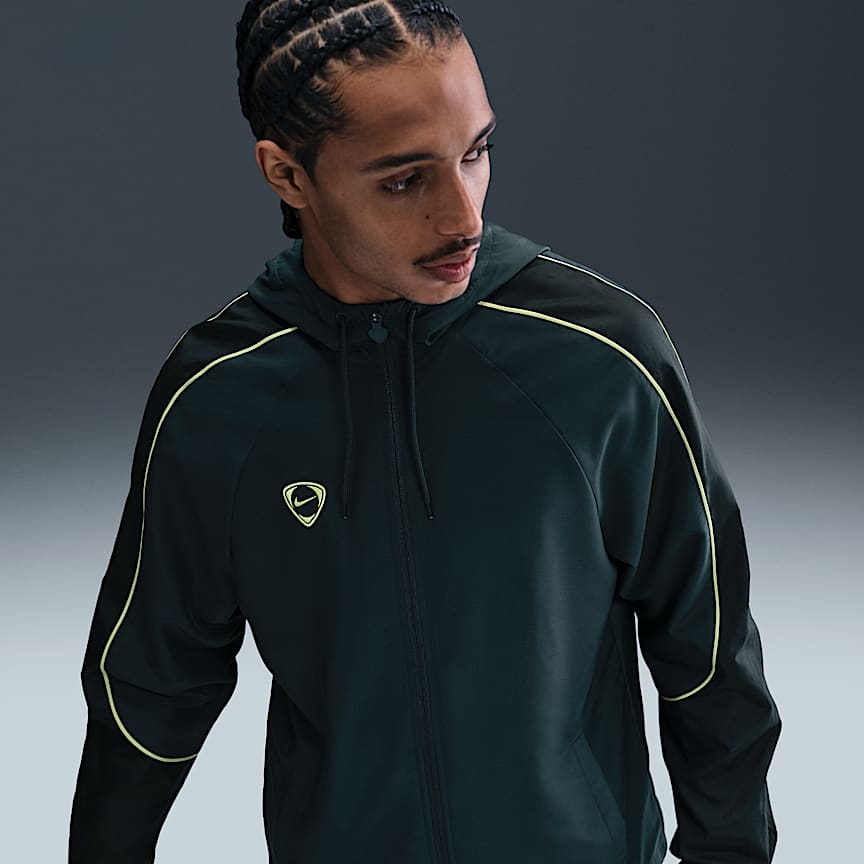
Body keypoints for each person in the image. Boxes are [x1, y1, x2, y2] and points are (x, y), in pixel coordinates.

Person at [68, 2, 781, 862]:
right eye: (405, 181)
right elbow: (148, 690)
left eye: (475, 152)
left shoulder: (602, 358)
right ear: (287, 174)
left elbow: (710, 656)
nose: (463, 216)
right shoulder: (217, 397)